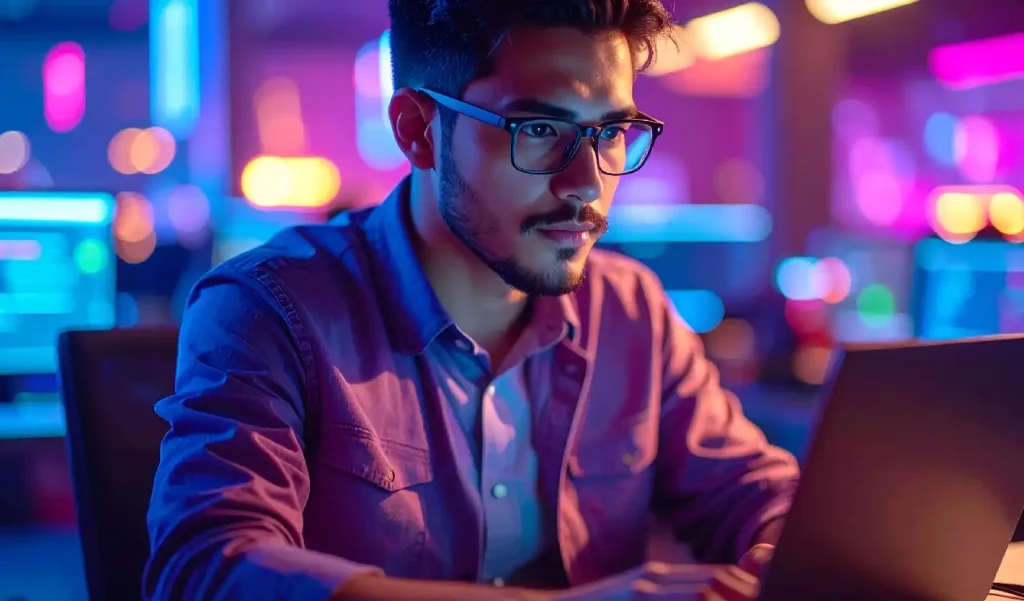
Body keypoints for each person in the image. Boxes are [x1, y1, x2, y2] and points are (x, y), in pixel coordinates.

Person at [143, 1, 800, 599]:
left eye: (611, 133)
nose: (588, 184)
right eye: (541, 129)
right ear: (417, 129)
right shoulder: (268, 310)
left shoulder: (631, 311)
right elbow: (209, 569)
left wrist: (783, 558)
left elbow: (762, 494)